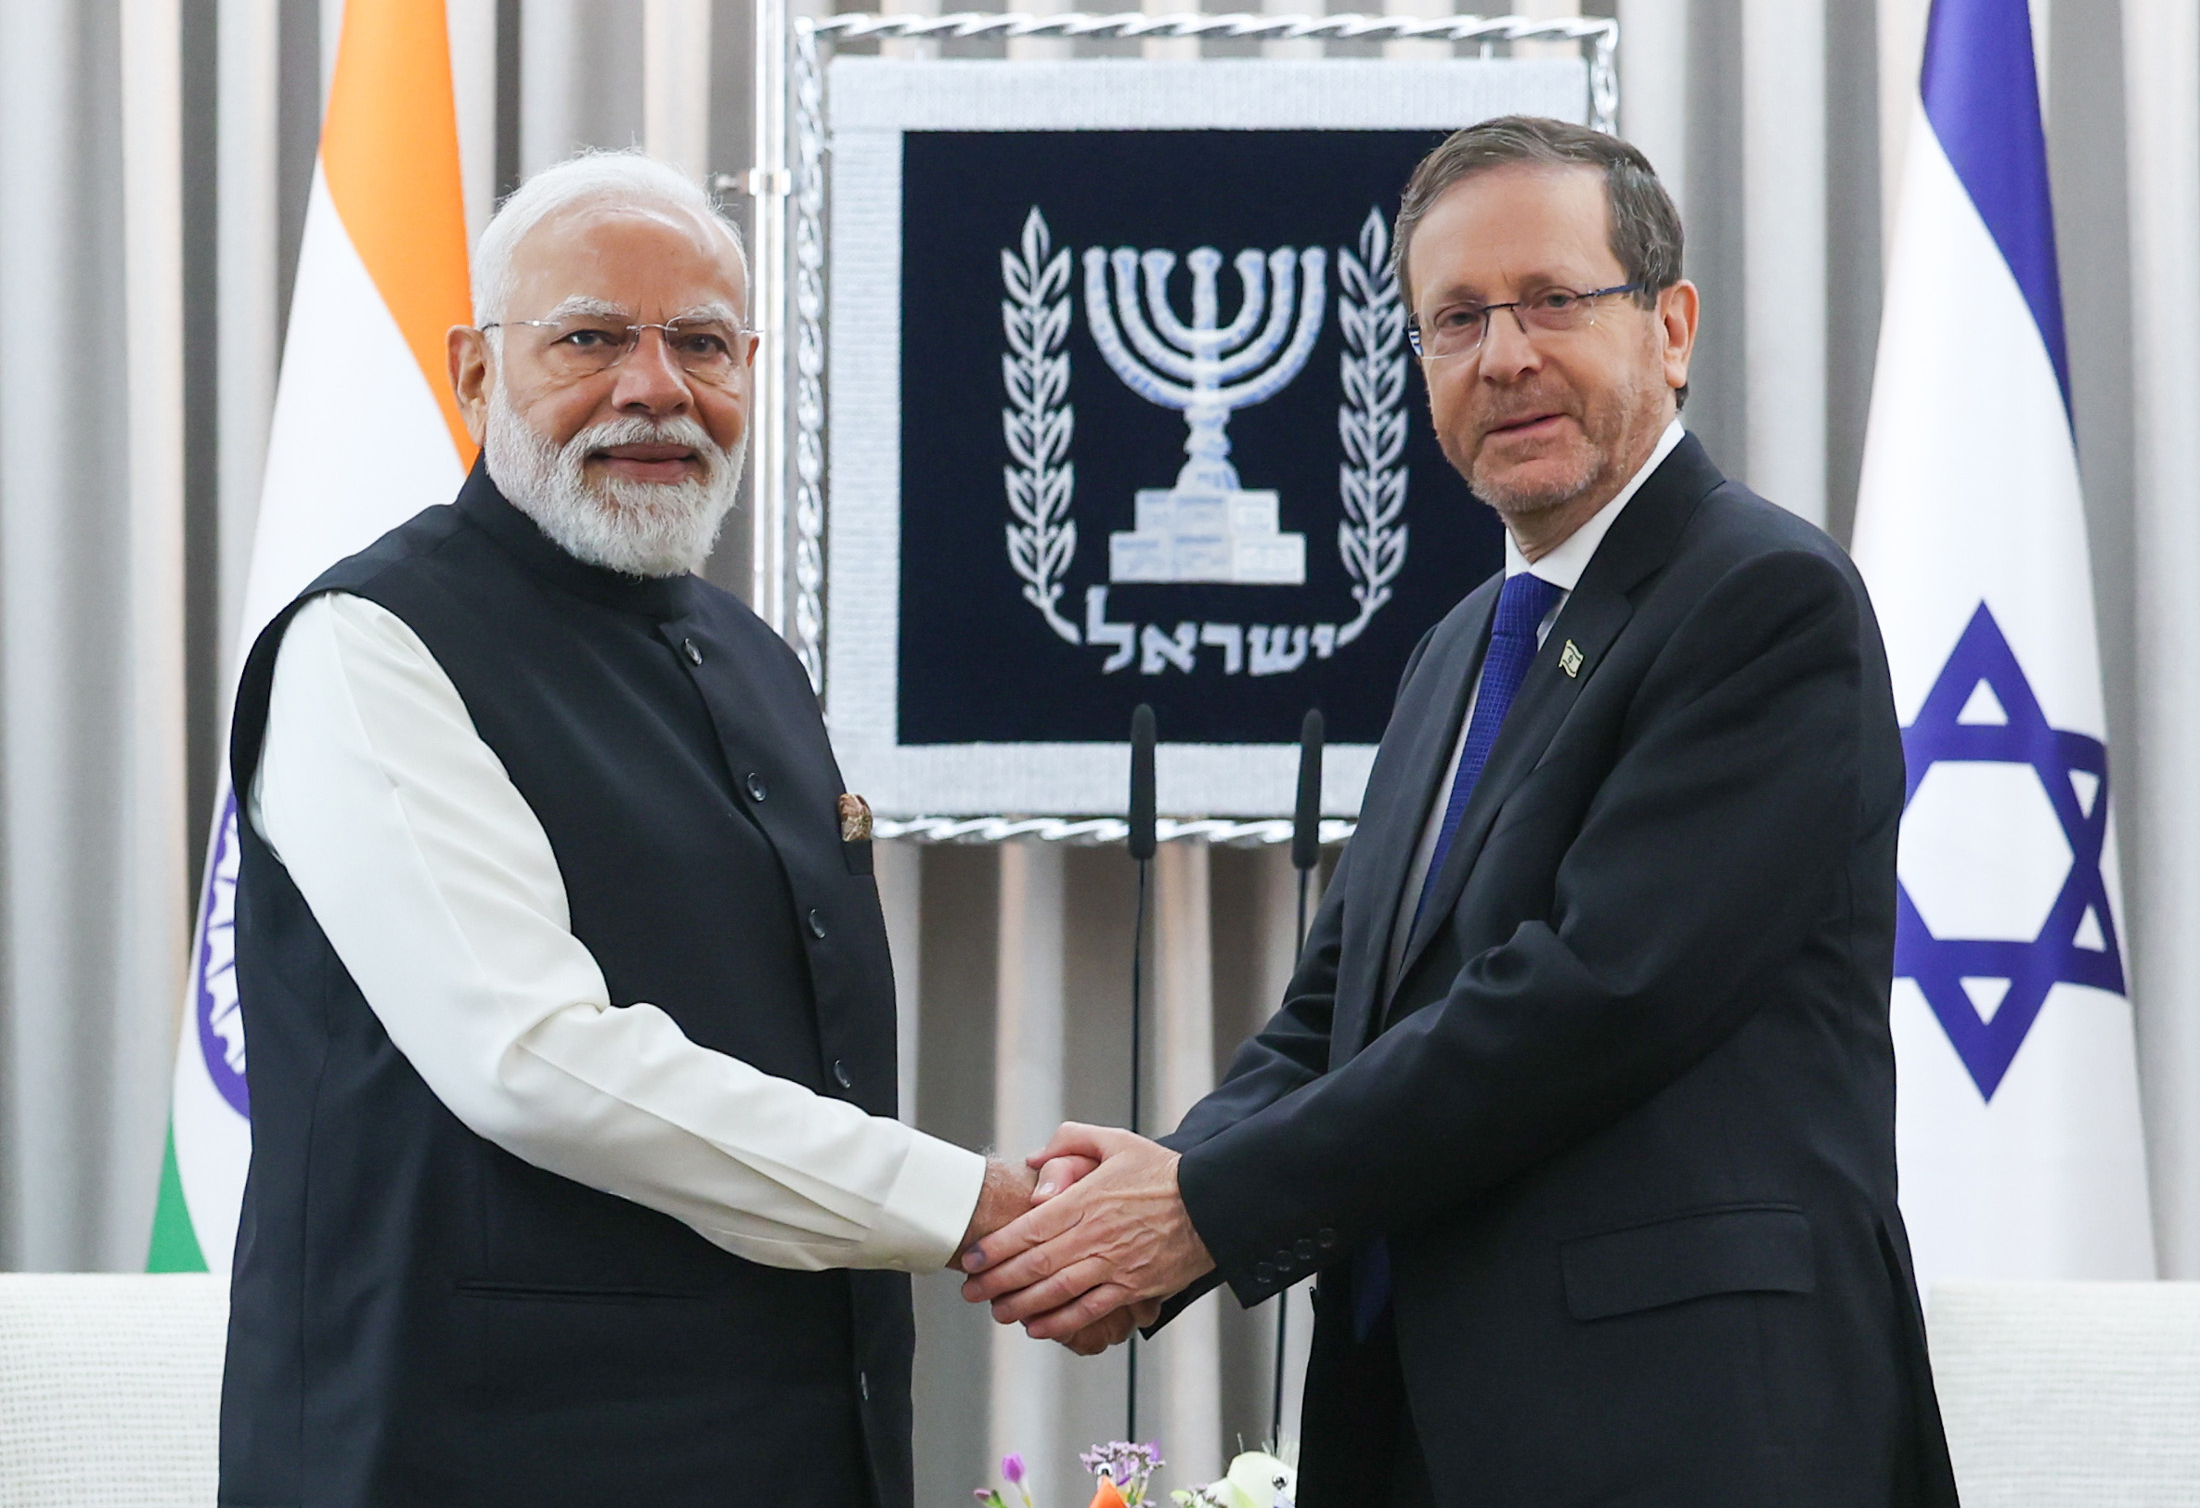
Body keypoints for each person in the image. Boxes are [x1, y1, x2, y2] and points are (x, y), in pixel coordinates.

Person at [962, 117, 1960, 1507]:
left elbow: (1587, 998)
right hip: (1422, 1426)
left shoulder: (1762, 599)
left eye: (1553, 300)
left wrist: (1202, 1212)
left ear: (1671, 328)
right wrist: (1164, 1180)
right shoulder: (1456, 652)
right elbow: (1339, 1014)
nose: (1505, 356)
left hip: (1683, 1433)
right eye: (1457, 318)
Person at [219, 151, 1045, 1508]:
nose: (656, 386)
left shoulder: (758, 662)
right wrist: (963, 1202)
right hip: (476, 1455)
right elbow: (531, 1058)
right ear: (475, 371)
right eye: (592, 338)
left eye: (702, 344)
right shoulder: (369, 646)